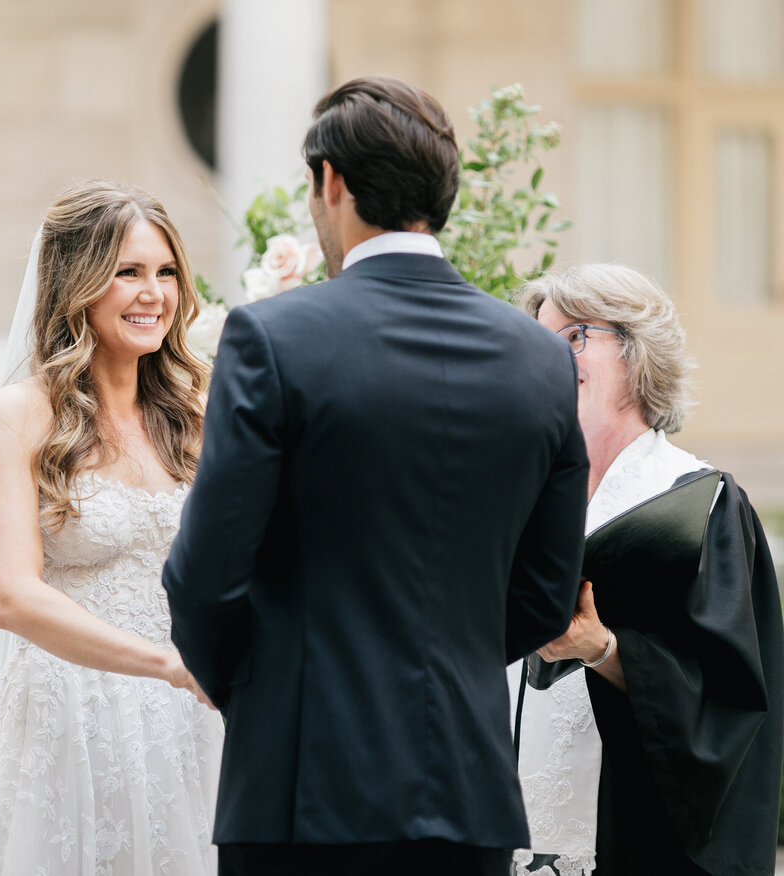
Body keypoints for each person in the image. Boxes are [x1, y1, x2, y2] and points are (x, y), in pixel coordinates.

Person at [162, 75, 590, 876]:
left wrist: (258, 692)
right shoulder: (540, 356)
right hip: (469, 790)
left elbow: (207, 573)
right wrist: (449, 657)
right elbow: (545, 589)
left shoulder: (272, 338)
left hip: (302, 790)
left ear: (331, 182)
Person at [0, 180, 224, 875]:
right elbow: (11, 596)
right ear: (78, 283)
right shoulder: (21, 414)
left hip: (197, 720)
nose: (153, 294)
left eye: (165, 273)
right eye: (127, 273)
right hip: (70, 717)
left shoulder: (198, 408)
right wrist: (164, 664)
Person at [510, 263, 783, 876]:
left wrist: (602, 649)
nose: (552, 358)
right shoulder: (517, 501)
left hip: (632, 842)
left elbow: (729, 705)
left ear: (636, 354)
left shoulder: (698, 506)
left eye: (574, 336)